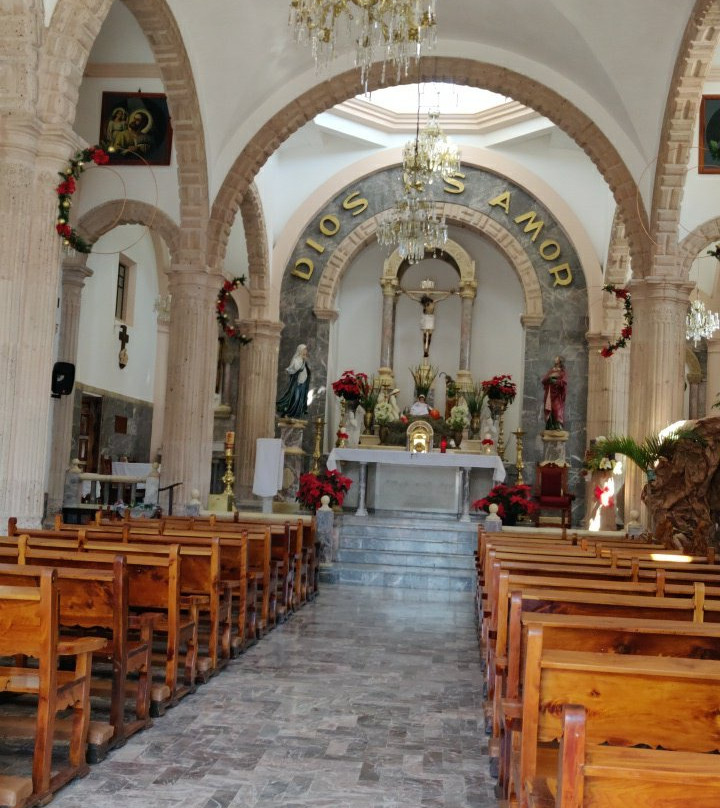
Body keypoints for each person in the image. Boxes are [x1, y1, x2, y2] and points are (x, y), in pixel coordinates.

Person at [276, 344, 311, 418]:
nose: (306, 351)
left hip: (303, 382)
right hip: (297, 382)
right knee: (296, 398)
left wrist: (304, 361)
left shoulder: (304, 360)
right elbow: (296, 369)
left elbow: (307, 370)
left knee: (301, 399)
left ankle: (297, 414)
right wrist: (303, 361)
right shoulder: (296, 359)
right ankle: (289, 413)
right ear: (300, 350)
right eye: (304, 349)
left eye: (306, 349)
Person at [542, 355, 567, 430]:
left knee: (557, 408)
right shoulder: (551, 371)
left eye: (557, 358)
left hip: (557, 393)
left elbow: (564, 382)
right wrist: (549, 378)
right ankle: (550, 425)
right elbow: (544, 380)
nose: (555, 359)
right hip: (549, 392)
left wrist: (556, 381)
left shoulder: (562, 372)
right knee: (549, 407)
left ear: (560, 361)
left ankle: (558, 424)